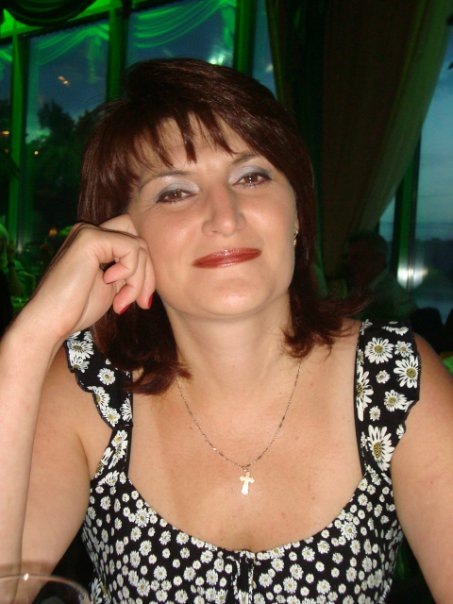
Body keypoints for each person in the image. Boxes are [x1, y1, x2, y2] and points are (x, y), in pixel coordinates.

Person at [0, 59, 452, 603]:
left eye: (251, 177)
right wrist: (29, 340)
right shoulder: (89, 389)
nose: (225, 216)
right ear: (124, 234)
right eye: (174, 192)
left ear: (297, 212)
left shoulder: (394, 377)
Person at [344, 231, 418, 322]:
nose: (348, 263)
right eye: (347, 257)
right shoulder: (365, 288)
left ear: (378, 259)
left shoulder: (389, 302)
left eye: (357, 257)